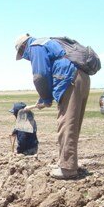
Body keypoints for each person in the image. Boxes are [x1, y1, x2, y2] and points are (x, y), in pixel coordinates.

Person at [15, 33, 90, 179]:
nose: (25, 57)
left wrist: (45, 97)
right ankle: (66, 163)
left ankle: (68, 169)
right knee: (72, 125)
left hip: (71, 79)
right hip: (81, 78)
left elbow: (40, 75)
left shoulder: (35, 46)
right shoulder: (47, 43)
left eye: (22, 54)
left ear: (23, 46)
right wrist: (45, 98)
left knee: (66, 124)